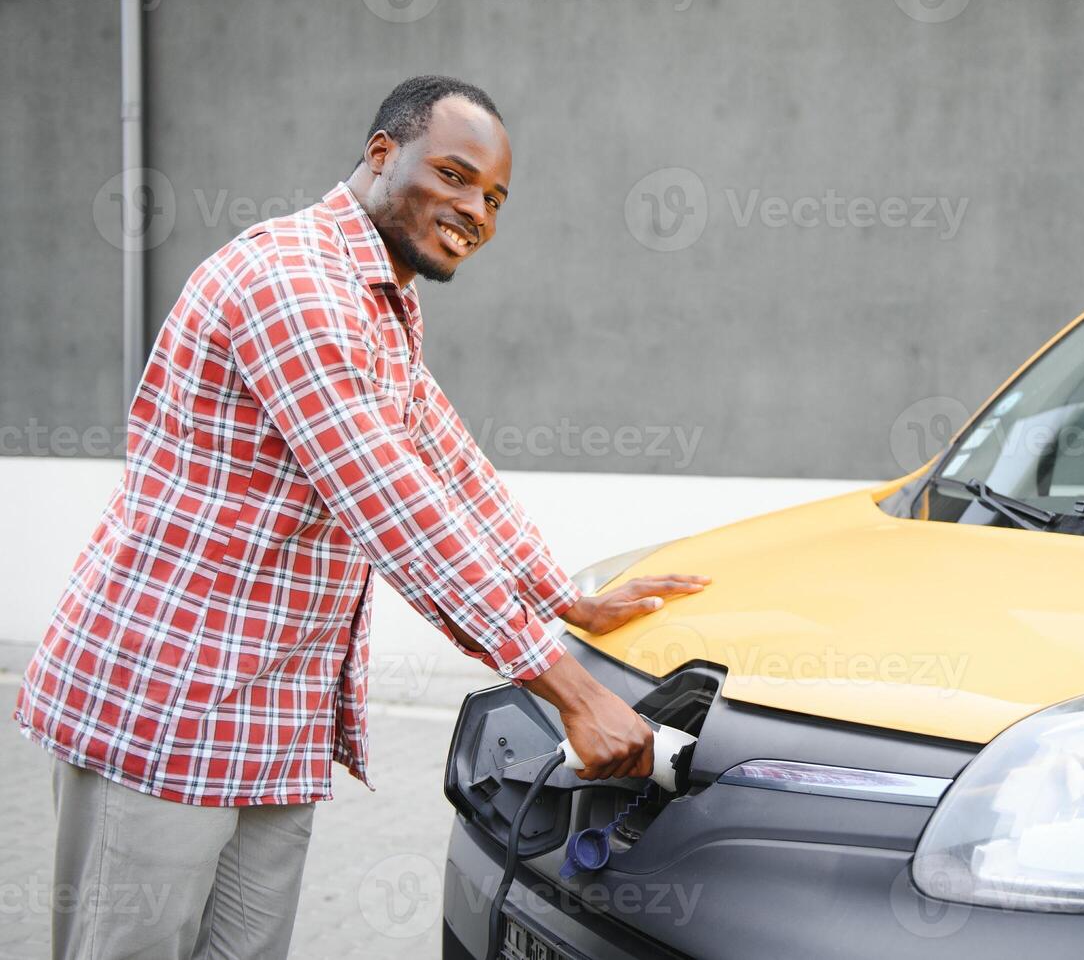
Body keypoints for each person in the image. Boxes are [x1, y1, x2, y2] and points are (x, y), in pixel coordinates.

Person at [13, 74, 709, 960]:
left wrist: (558, 596)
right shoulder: (294, 286)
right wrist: (571, 693)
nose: (476, 211)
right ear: (382, 154)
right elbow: (396, 510)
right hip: (165, 707)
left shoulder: (382, 294)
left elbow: (443, 458)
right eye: (455, 175)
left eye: (494, 196)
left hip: (269, 719)